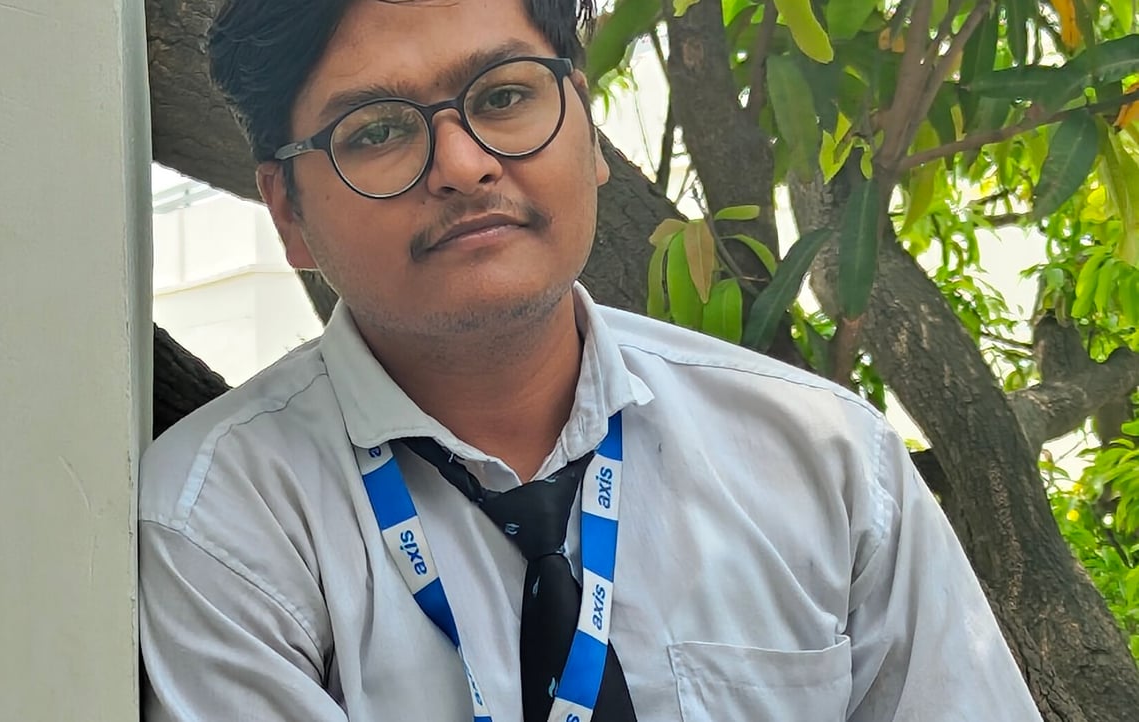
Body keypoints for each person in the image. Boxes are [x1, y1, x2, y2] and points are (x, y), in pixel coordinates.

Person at [137, 0, 1041, 719]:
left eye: (503, 97)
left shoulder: (826, 462)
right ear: (287, 211)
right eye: (376, 131)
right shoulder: (219, 528)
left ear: (590, 126)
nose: (463, 165)